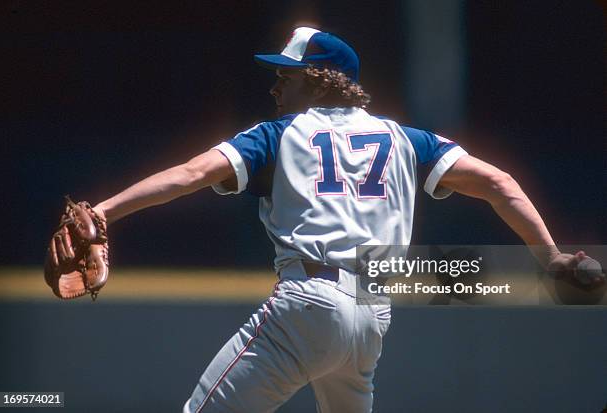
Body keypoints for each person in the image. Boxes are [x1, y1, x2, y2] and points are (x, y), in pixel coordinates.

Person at [88, 27, 595, 412]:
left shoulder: (278, 134)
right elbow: (500, 184)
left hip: (307, 303)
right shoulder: (408, 139)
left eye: (285, 76)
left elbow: (190, 174)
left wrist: (103, 211)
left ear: (317, 79)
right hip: (371, 314)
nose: (275, 88)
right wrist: (549, 257)